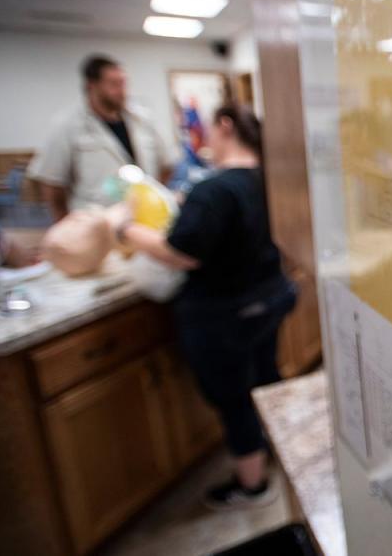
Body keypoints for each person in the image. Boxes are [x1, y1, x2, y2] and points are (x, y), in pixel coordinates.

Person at [108, 104, 297, 509]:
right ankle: (282, 455)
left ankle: (253, 486)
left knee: (234, 399)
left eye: (210, 127)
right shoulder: (268, 178)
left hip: (225, 313)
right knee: (266, 379)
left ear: (225, 126)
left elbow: (181, 253)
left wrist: (125, 229)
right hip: (270, 297)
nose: (205, 136)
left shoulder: (214, 190)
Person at [28, 54, 178, 221]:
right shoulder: (67, 125)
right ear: (92, 86)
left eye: (123, 83)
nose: (122, 91)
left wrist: (152, 194)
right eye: (114, 84)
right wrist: (65, 224)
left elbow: (167, 165)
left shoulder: (143, 119)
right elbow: (52, 183)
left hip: (145, 219)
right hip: (96, 222)